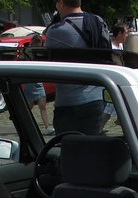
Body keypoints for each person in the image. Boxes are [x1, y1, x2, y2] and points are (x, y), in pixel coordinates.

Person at [45, 0, 110, 135]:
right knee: (91, 148)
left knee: (69, 148)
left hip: (68, 101)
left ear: (61, 3)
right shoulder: (98, 22)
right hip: (95, 97)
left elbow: (48, 61)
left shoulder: (56, 30)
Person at [21, 34, 53, 135]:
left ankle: (47, 126)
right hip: (30, 81)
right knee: (29, 106)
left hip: (37, 81)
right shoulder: (27, 52)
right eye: (38, 45)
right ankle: (23, 123)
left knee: (42, 104)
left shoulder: (37, 53)